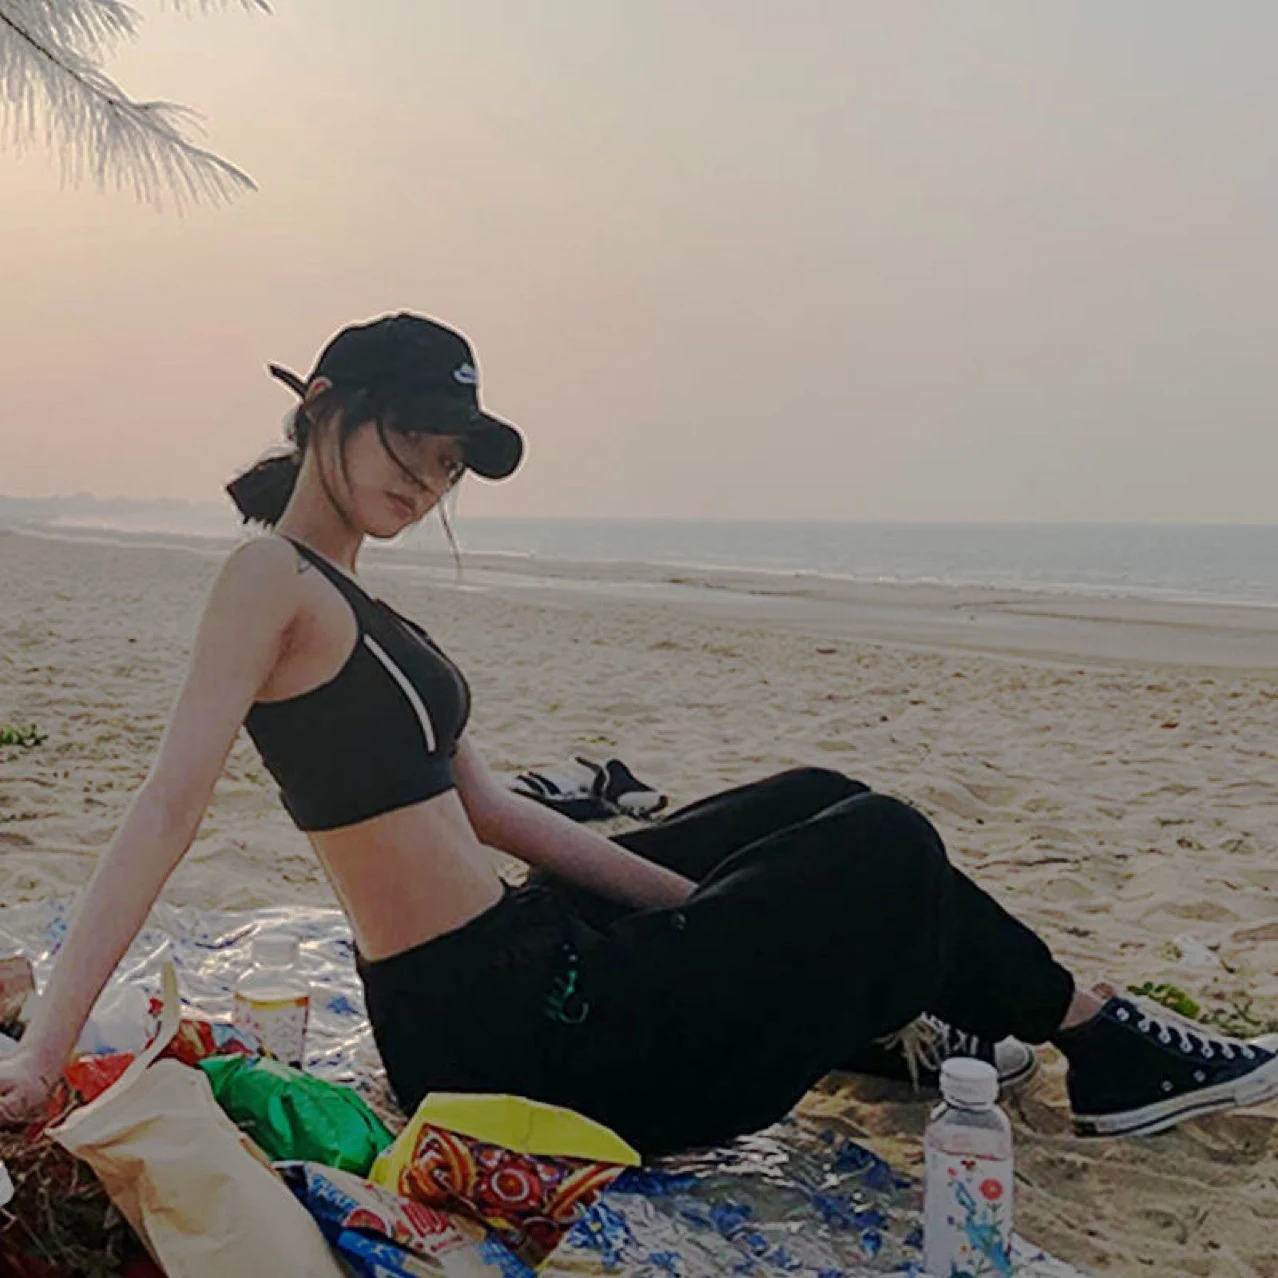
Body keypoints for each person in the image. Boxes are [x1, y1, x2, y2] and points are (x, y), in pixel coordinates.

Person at [1, 312, 1274, 1154]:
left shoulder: (359, 603)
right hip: (508, 1033)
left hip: (525, 958)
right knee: (884, 842)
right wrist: (45, 1051)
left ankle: (970, 1009)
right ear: (323, 406)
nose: (427, 480)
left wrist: (719, 911)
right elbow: (166, 808)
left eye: (449, 465)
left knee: (812, 801)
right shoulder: (266, 579)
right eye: (410, 444)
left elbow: (494, 815)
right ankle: (1091, 1034)